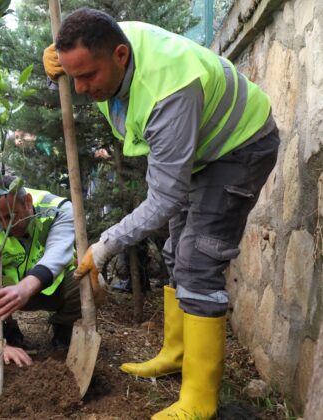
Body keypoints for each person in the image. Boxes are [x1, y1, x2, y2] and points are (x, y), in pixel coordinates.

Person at [43, 8, 280, 419]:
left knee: (198, 260)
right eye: (72, 76)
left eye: (88, 76)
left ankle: (200, 400)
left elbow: (164, 199)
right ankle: (176, 351)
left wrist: (104, 247)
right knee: (175, 252)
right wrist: (57, 66)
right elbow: (85, 45)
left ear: (120, 55)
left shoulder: (167, 92)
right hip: (204, 151)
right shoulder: (109, 42)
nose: (79, 88)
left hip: (239, 148)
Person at [0, 176, 81, 366]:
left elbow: (58, 253)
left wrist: (25, 288)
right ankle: (6, 329)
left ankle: (63, 328)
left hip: (53, 289)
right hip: (8, 295)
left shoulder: (58, 209)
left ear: (28, 202)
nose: (6, 225)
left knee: (91, 279)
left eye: (11, 215)